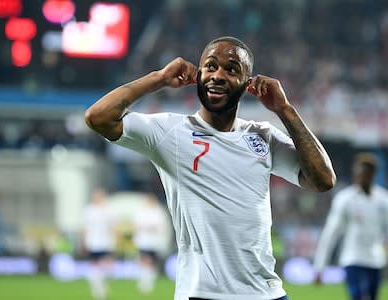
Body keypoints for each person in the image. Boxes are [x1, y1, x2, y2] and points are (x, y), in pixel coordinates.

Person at [85, 36, 336, 300]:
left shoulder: (262, 136)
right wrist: (158, 78)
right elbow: (98, 117)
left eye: (231, 69)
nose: (218, 75)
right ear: (200, 73)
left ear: (247, 83)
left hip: (267, 294)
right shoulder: (170, 132)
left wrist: (285, 110)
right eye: (211, 66)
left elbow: (323, 180)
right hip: (203, 293)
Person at [313, 152, 388, 300]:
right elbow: (331, 232)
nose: (362, 176)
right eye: (360, 172)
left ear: (373, 174)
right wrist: (320, 266)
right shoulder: (345, 199)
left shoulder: (386, 200)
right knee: (357, 296)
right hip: (352, 258)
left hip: (375, 259)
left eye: (367, 173)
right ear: (355, 172)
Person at [132, 193, 171, 294]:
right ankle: (145, 282)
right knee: (145, 261)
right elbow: (137, 226)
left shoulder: (158, 211)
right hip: (144, 241)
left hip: (155, 242)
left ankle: (149, 281)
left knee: (152, 263)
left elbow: (162, 226)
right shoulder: (141, 211)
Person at [82, 188, 117, 300]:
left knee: (109, 266)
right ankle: (97, 288)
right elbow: (85, 228)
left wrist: (114, 239)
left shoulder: (108, 210)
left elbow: (113, 227)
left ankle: (102, 284)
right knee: (94, 265)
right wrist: (83, 241)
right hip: (93, 242)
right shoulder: (89, 210)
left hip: (106, 242)